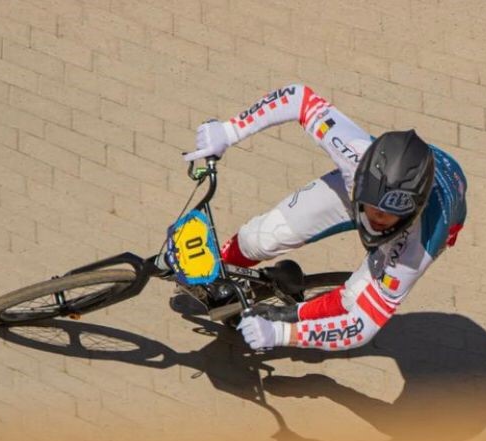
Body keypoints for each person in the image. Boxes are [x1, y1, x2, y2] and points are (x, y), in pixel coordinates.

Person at [182, 84, 467, 352]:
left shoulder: (417, 248)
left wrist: (283, 333)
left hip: (433, 217)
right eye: (373, 207)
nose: (378, 219)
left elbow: (361, 326)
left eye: (389, 215)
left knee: (353, 300)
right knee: (259, 238)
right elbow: (298, 97)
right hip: (378, 184)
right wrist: (229, 131)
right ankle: (218, 271)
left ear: (411, 212)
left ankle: (292, 313)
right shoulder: (354, 154)